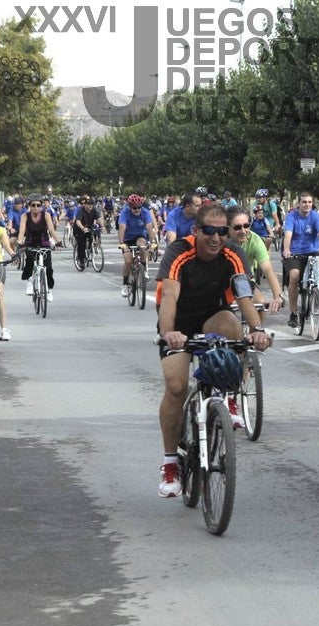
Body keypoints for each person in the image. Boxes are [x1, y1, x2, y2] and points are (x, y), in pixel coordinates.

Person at [155, 203, 272, 497]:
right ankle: (170, 463)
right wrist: (169, 333)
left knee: (233, 327)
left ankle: (224, 397)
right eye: (209, 231)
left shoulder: (233, 253)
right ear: (196, 231)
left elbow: (243, 294)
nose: (216, 238)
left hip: (212, 315)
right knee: (176, 387)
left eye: (222, 232)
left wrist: (257, 330)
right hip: (178, 321)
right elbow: (169, 295)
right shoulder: (179, 252)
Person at [282, 191, 319, 328]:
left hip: (312, 251)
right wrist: (287, 250)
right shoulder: (291, 216)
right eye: (304, 202)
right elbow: (288, 235)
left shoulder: (315, 216)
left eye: (309, 202)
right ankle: (293, 312)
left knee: (317, 276)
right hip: (294, 253)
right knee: (294, 276)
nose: (307, 204)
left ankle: (316, 297)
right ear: (298, 204)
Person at [226, 207, 284, 320]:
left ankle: (256, 329)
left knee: (259, 305)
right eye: (237, 227)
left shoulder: (255, 240)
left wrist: (277, 297)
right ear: (228, 228)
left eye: (246, 226)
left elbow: (268, 270)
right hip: (221, 282)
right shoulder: (220, 240)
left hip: (245, 280)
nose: (243, 231)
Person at [19, 194, 60, 300]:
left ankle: (49, 290)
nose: (36, 207)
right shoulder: (25, 216)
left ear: (41, 206)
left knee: (49, 268)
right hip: (30, 243)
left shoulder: (46, 215)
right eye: (33, 205)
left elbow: (51, 230)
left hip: (44, 243)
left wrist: (58, 241)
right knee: (29, 262)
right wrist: (20, 242)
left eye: (38, 205)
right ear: (29, 206)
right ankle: (29, 282)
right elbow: (22, 231)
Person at [117, 194, 156, 297]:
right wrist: (122, 244)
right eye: (134, 208)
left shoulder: (145, 212)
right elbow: (122, 228)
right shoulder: (125, 212)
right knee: (128, 260)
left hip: (140, 235)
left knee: (142, 246)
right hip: (127, 238)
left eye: (139, 207)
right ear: (130, 207)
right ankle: (125, 284)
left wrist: (153, 242)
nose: (137, 210)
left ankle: (144, 270)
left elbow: (149, 227)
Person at [72, 195, 103, 266]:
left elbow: (98, 219)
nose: (91, 206)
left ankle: (89, 250)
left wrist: (102, 226)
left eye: (92, 204)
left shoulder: (94, 210)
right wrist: (82, 228)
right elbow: (78, 222)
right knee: (81, 243)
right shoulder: (81, 211)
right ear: (85, 205)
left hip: (89, 228)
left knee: (91, 238)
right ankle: (81, 259)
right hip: (78, 229)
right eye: (89, 204)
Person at [0, 220, 14, 340]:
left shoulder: (0, 230)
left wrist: (13, 255)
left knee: (0, 294)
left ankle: (4, 329)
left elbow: (7, 246)